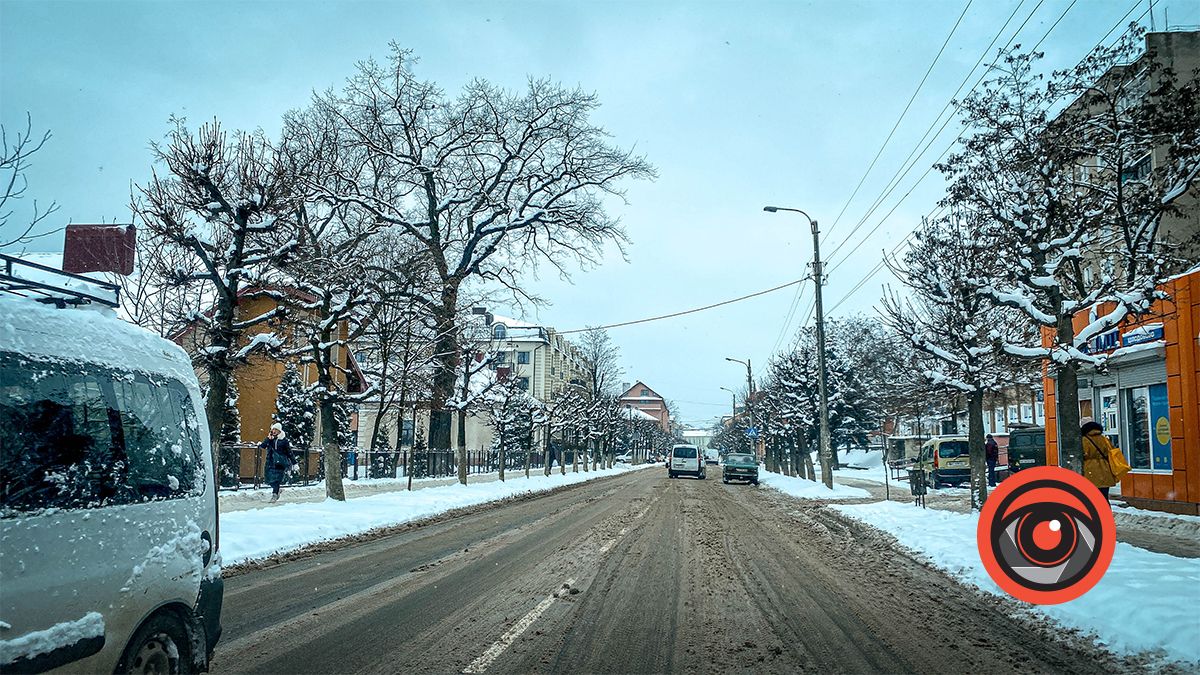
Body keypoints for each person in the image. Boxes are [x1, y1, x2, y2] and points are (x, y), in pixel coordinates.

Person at [1080, 418, 1117, 500]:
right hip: (1105, 471)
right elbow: (1111, 451)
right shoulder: (1104, 439)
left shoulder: (1083, 440)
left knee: (1091, 499)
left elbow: (1083, 454)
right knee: (1104, 498)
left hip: (1090, 472)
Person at [260, 423, 295, 503]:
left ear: (279, 431)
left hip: (280, 463)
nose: (274, 431)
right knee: (269, 480)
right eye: (273, 429)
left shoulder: (284, 440)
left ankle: (274, 495)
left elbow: (289, 452)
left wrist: (294, 463)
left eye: (276, 429)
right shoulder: (270, 439)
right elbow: (262, 446)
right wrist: (268, 439)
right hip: (270, 462)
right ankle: (277, 490)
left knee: (276, 480)